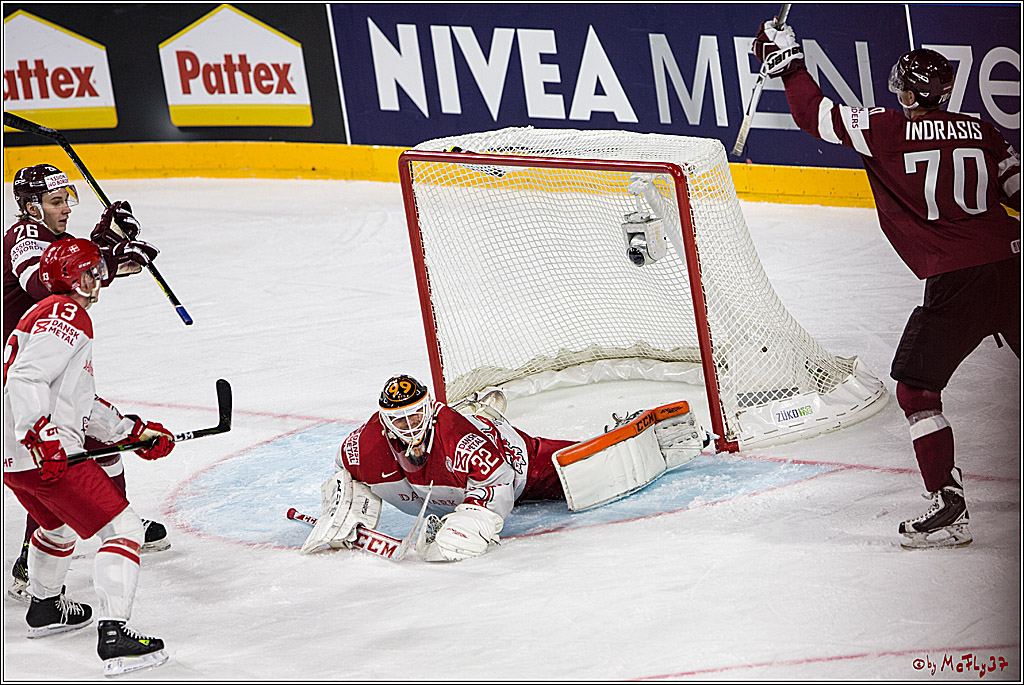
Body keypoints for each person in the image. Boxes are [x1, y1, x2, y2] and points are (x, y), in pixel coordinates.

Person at [751, 22, 1020, 549]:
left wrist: (790, 64)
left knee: (918, 391)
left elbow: (814, 116)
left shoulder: (885, 129)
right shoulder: (986, 131)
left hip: (956, 279)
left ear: (910, 92)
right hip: (1012, 264)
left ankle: (947, 504)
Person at [301, 375, 709, 561]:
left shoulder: (461, 443)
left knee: (583, 471)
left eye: (416, 415)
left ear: (430, 409)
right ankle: (483, 407)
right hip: (458, 473)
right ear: (384, 421)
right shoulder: (365, 445)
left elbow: (495, 492)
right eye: (399, 419)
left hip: (516, 464)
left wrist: (462, 529)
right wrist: (345, 512)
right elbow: (346, 473)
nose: (409, 426)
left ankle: (648, 434)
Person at [3, 239, 174, 676]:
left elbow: (78, 398)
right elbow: (25, 378)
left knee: (55, 526)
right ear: (71, 277)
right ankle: (115, 635)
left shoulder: (41, 314)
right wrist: (42, 435)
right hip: (42, 451)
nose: (98, 279)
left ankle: (45, 608)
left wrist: (132, 432)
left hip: (14, 458)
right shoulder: (67, 313)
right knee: (124, 528)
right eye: (90, 271)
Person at [4, 164, 170, 601]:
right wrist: (111, 255)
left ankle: (112, 516)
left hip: (46, 359)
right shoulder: (23, 236)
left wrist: (107, 239)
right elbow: (45, 281)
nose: (65, 209)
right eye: (56, 202)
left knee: (87, 438)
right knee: (47, 454)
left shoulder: (52, 241)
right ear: (30, 206)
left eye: (68, 200)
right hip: (26, 370)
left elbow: (72, 265)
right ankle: (33, 551)